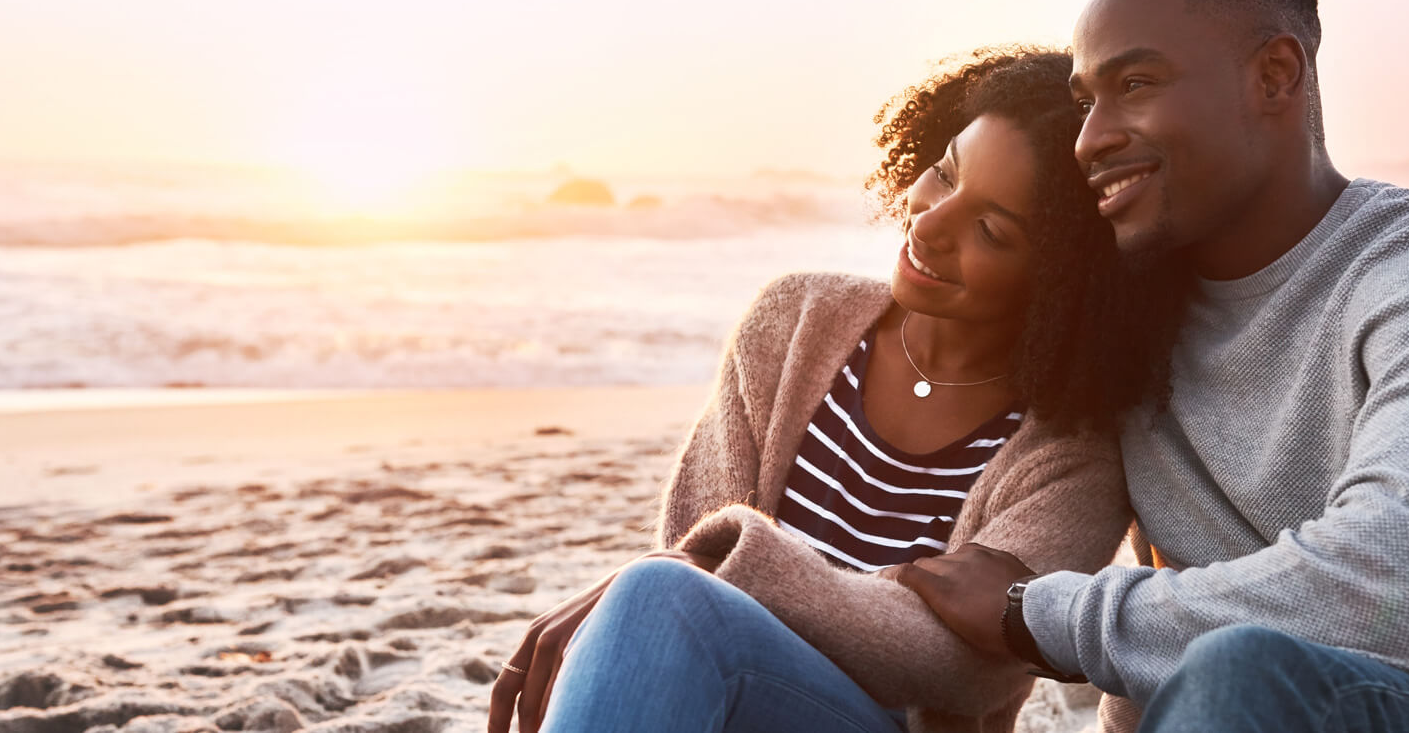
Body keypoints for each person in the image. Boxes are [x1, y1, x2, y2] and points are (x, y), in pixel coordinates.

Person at [894, 0, 1409, 732]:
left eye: (1136, 84)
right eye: (1086, 99)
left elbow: (1396, 598)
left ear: (1275, 75)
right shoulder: (1123, 311)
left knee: (1240, 670)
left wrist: (1038, 615)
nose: (1092, 137)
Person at [484, 48, 1188, 733]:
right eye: (944, 174)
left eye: (990, 230)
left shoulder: (1071, 452)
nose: (930, 222)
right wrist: (719, 570)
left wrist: (734, 555)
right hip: (716, 706)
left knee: (660, 594)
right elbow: (688, 544)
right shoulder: (794, 322)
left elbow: (960, 665)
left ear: (1064, 284)